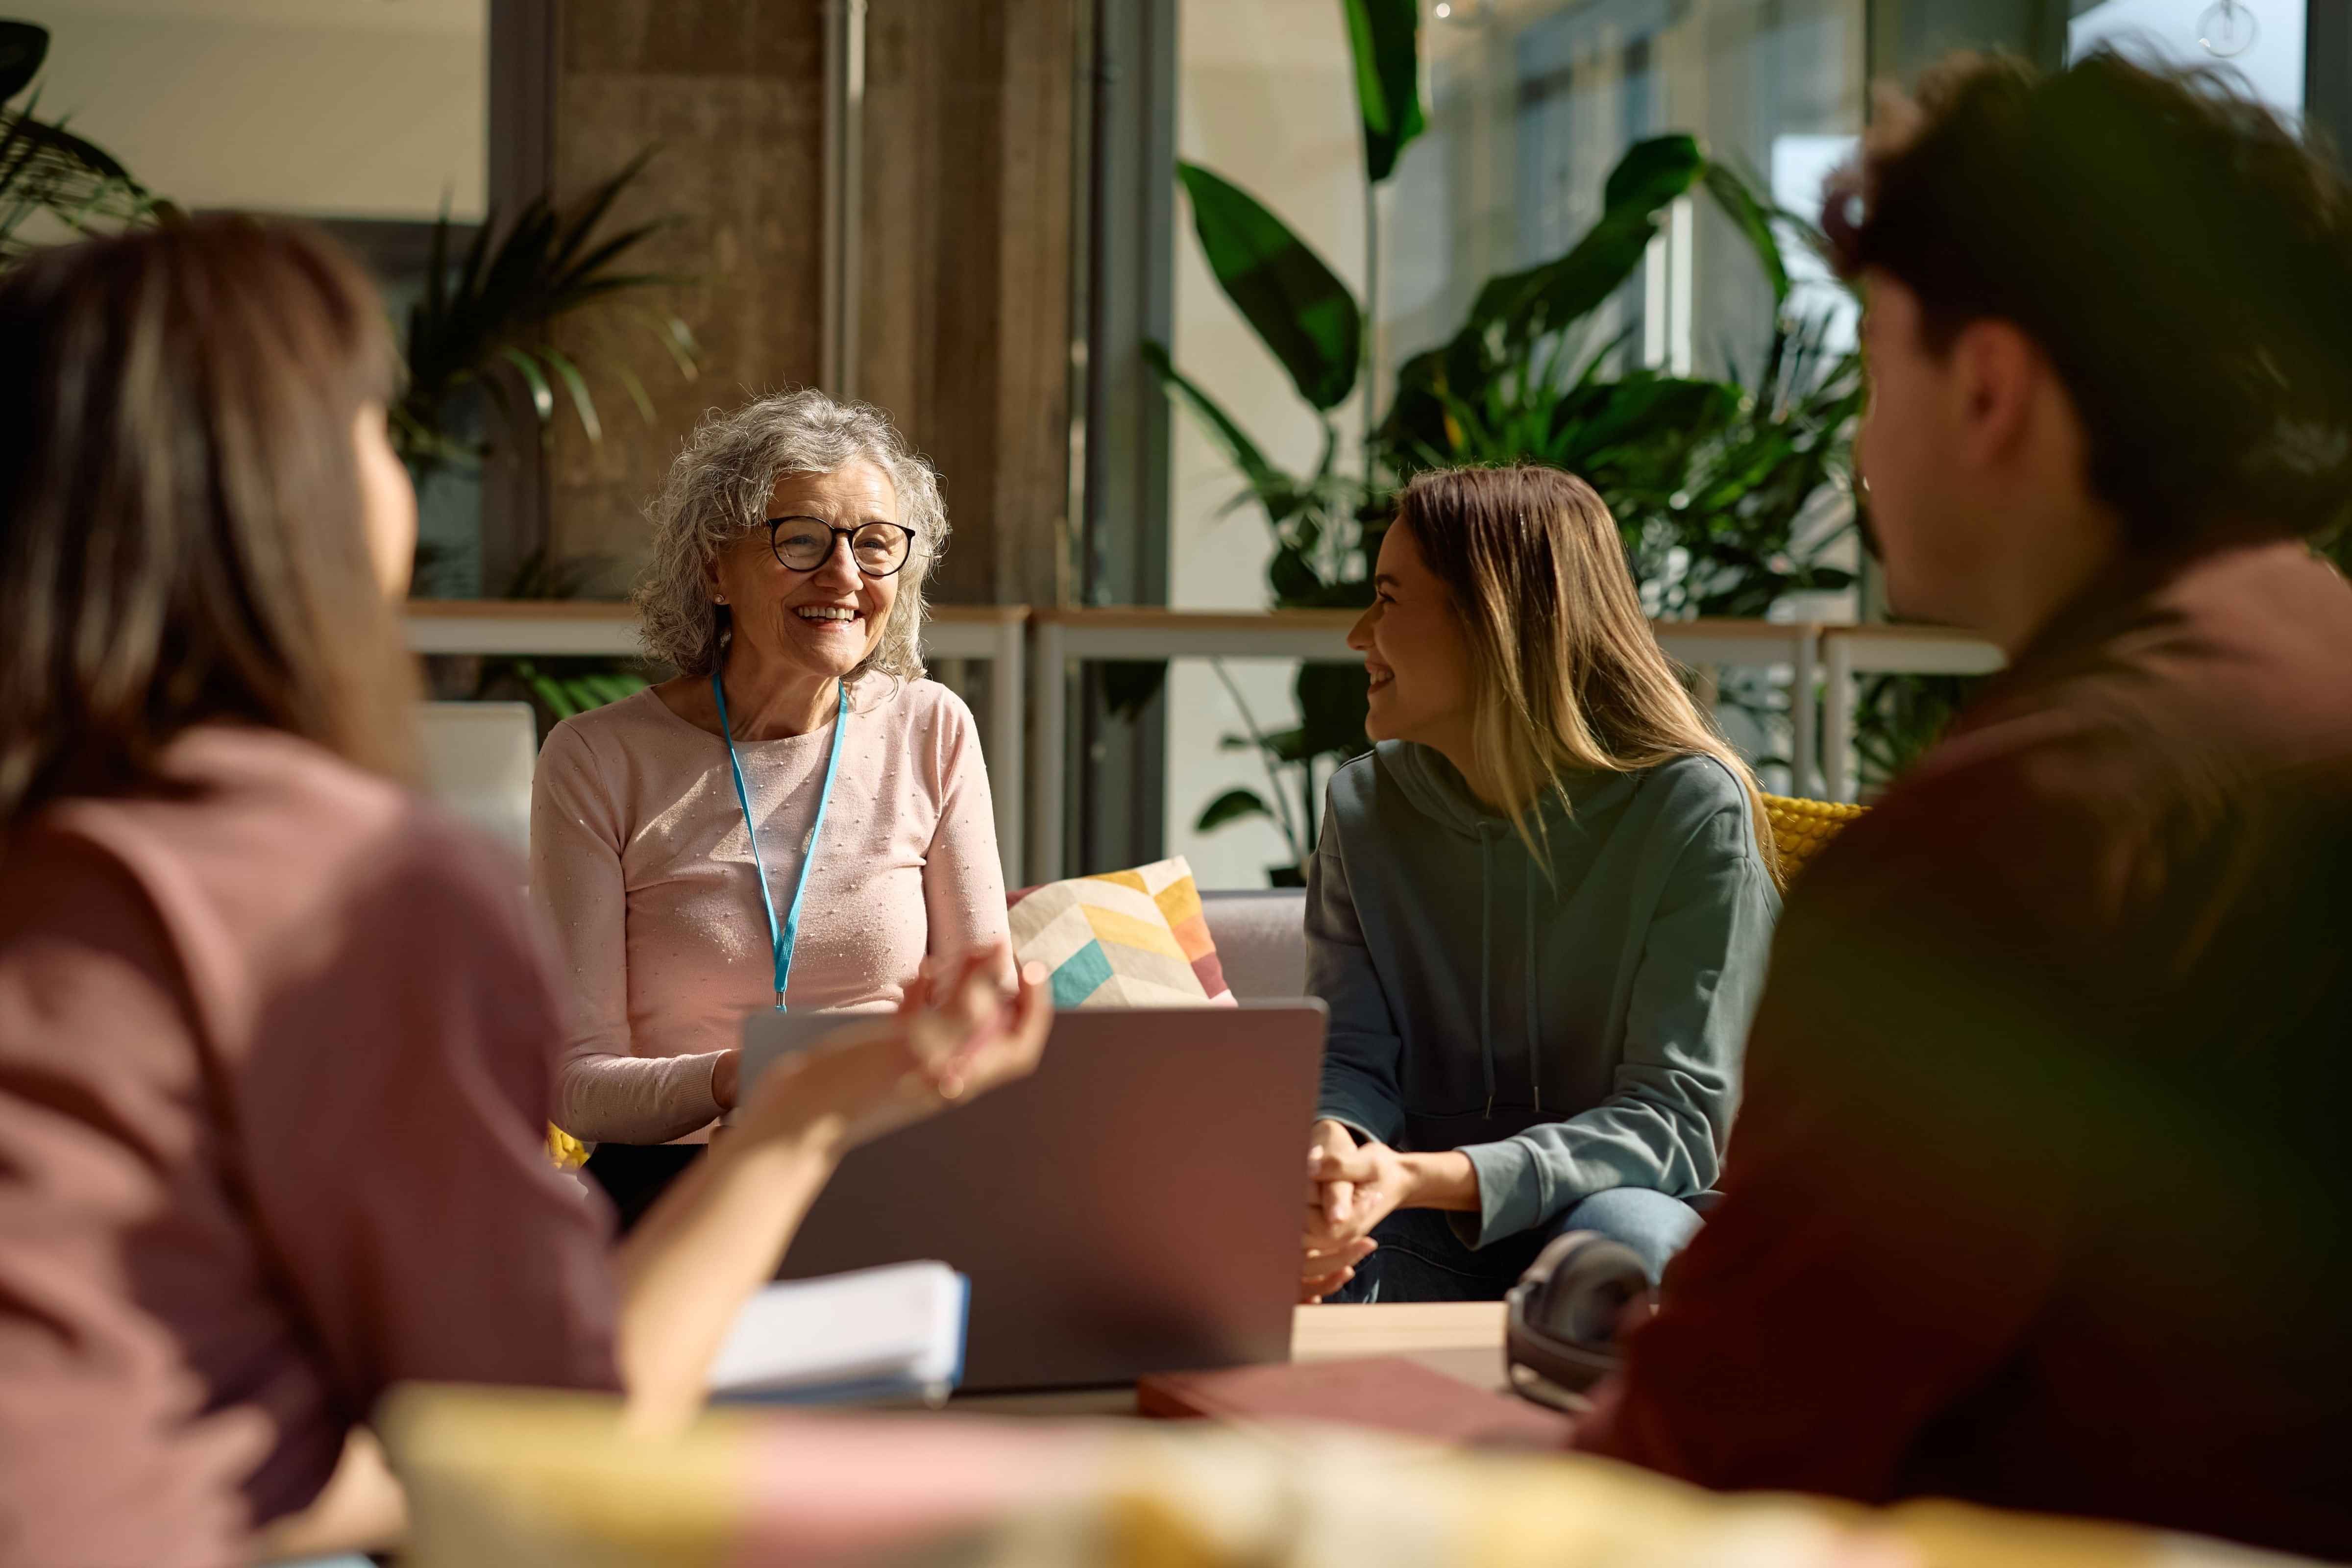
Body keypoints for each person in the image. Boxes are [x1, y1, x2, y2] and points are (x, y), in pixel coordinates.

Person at [0, 217, 1050, 1568]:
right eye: (378, 430)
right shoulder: (352, 885)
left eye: (876, 540)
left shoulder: (65, 842)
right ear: (291, 502)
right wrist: (792, 1111)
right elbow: (551, 1435)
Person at [1569, 52, 2352, 1560]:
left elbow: (1721, 1465)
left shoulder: (2020, 828)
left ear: (1989, 386)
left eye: (1875, 362)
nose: (1859, 446)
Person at [1298, 465, 1781, 1303]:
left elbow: (1674, 1124)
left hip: (1628, 1214)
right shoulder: (1364, 806)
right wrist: (1333, 1160)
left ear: (1492, 622)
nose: (1358, 635)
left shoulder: (1693, 811)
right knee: (1292, 1241)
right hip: (1419, 1225)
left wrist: (1430, 1176)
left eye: (1389, 600)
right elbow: (1350, 1059)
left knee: (1617, 1242)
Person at [532, 389, 1010, 1223]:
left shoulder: (932, 729)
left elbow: (990, 1014)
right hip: (678, 1186)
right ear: (715, 568)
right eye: (800, 540)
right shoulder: (597, 759)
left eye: (875, 544)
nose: (845, 575)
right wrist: (739, 1076)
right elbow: (577, 1087)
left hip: (890, 1167)